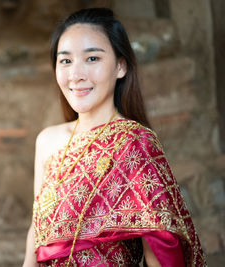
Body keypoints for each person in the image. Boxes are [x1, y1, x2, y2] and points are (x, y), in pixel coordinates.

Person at [22, 8, 206, 267]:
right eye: (65, 61)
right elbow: (37, 233)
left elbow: (161, 246)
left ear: (120, 66)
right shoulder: (47, 141)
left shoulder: (135, 143)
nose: (76, 75)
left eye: (92, 58)